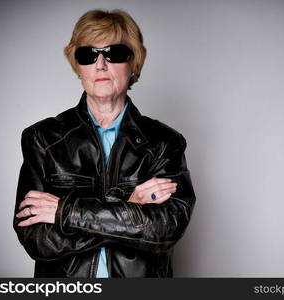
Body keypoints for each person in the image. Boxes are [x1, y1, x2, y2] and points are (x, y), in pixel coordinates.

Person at [13, 9, 196, 278]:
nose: (100, 65)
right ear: (78, 65)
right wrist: (130, 208)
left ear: (133, 62)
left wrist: (65, 212)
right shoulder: (43, 139)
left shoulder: (165, 142)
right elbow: (37, 239)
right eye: (88, 54)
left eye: (114, 53)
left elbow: (165, 230)